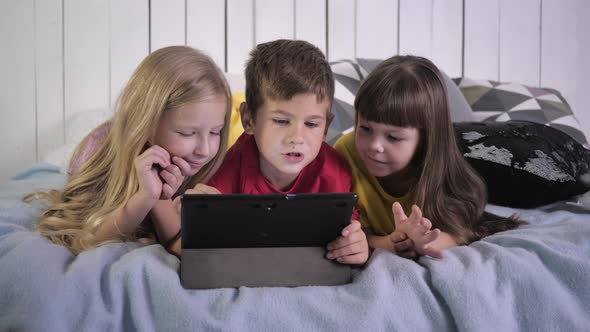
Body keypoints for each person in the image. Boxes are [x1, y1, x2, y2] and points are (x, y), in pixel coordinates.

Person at [160, 39, 369, 265]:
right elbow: (191, 244)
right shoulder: (231, 166)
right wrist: (199, 217)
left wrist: (355, 244)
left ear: (326, 126)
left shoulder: (335, 171)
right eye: (281, 120)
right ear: (249, 120)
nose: (296, 138)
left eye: (312, 124)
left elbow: (349, 234)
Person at [26, 46, 232, 255]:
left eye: (216, 132)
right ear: (148, 126)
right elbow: (87, 240)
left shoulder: (212, 166)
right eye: (188, 133)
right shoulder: (97, 155)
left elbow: (178, 244)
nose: (205, 150)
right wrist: (146, 197)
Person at [334, 55, 525, 259]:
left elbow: (457, 233)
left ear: (425, 138)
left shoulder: (442, 172)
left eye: (393, 137)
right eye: (365, 128)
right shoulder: (344, 154)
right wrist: (393, 243)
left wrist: (419, 243)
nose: (374, 146)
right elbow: (350, 233)